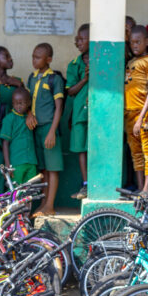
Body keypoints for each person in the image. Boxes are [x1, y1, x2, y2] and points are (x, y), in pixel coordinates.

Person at [26, 43, 64, 217]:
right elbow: (27, 101)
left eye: (38, 57)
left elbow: (59, 107)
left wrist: (52, 131)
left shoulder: (53, 79)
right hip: (36, 129)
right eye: (33, 56)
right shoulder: (32, 78)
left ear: (48, 59)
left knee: (53, 168)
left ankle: (50, 205)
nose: (34, 60)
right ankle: (43, 204)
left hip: (49, 128)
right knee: (44, 170)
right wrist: (28, 114)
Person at [124, 25, 148, 196]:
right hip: (129, 114)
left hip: (142, 114)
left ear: (147, 42)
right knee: (135, 152)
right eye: (132, 43)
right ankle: (140, 187)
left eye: (138, 42)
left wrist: (140, 118)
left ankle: (147, 188)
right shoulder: (130, 63)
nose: (135, 45)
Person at [66, 24, 90, 199]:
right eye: (77, 39)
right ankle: (86, 184)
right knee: (82, 149)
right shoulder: (74, 65)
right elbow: (70, 91)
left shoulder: (103, 61)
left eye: (81, 39)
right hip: (80, 114)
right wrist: (85, 79)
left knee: (96, 148)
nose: (77, 42)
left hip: (97, 115)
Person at [1, 87, 39, 185]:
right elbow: (5, 143)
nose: (18, 106)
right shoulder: (9, 119)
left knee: (30, 191)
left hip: (31, 161)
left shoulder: (30, 118)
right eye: (15, 103)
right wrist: (8, 165)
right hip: (16, 163)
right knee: (16, 191)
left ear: (29, 103)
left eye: (21, 103)